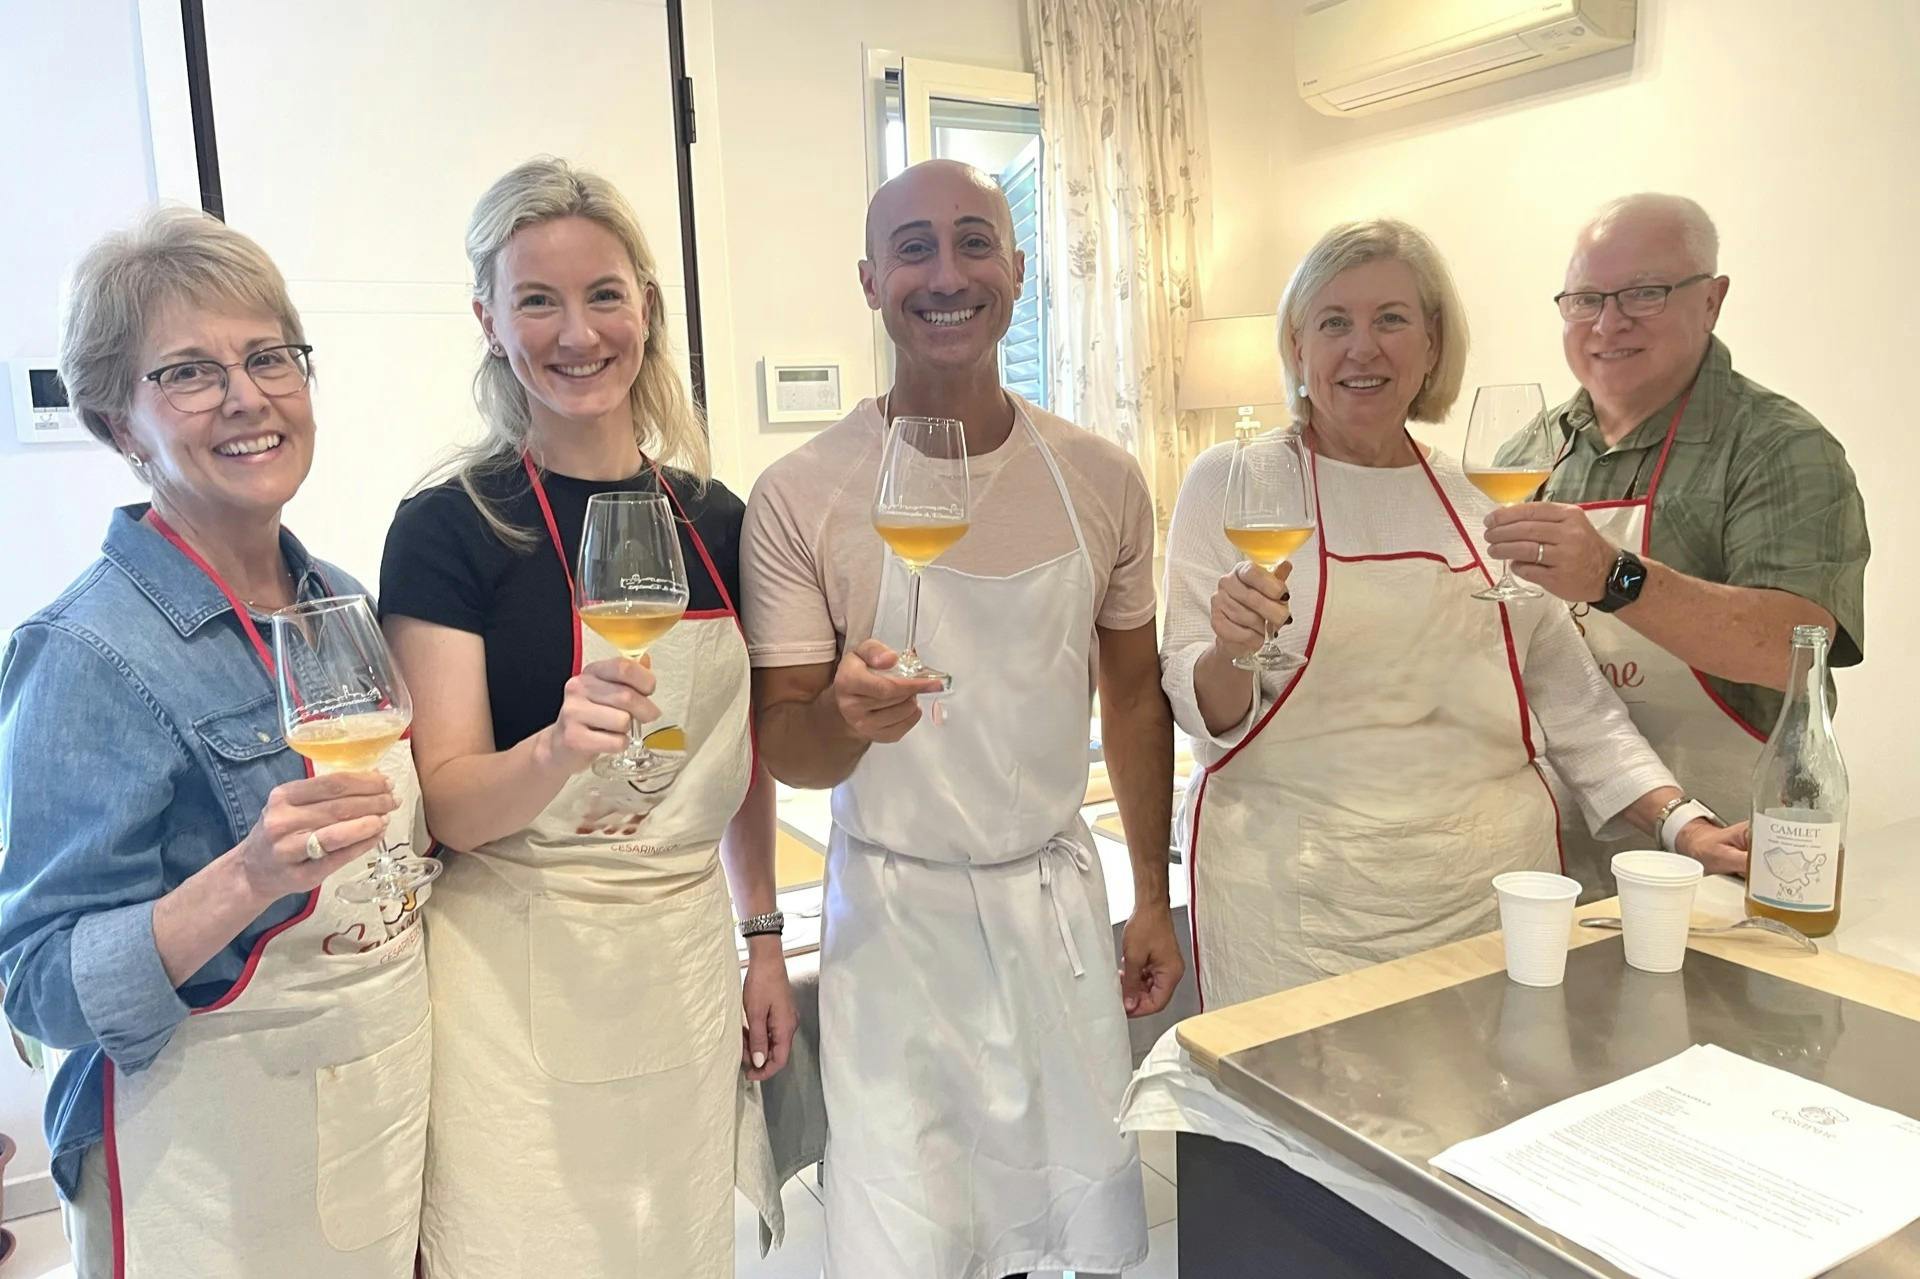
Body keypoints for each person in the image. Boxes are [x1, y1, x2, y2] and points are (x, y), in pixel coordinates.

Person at [742, 158, 1180, 1279]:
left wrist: (1150, 893)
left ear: (1020, 270)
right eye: (915, 247)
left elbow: (1133, 693)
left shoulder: (1100, 476)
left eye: (975, 241)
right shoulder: (805, 491)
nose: (947, 273)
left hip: (1054, 905)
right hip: (894, 924)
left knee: (1070, 1211)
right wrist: (846, 719)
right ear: (870, 279)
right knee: (913, 1226)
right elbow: (785, 741)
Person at [1161, 219, 1750, 1009]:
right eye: (1333, 322)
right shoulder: (1233, 483)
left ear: (1433, 344)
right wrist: (1232, 650)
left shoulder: (1484, 495)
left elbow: (1573, 703)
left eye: (1392, 319)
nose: (1362, 348)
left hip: (1483, 896)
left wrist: (1682, 824)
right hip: (1296, 909)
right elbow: (1201, 711)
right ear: (1297, 347)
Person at [378, 157, 791, 1277]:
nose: (577, 332)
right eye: (537, 300)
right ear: (489, 321)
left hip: (681, 971)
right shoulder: (450, 528)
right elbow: (454, 806)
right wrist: (556, 749)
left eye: (604, 294)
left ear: (647, 310)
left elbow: (740, 760)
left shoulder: (714, 517)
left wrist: (764, 939)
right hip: (513, 996)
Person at [0, 209, 429, 1276]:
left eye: (269, 357)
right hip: (199, 1166)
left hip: (371, 1121)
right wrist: (243, 880)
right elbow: (39, 982)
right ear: (118, 425)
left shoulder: (337, 603)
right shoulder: (86, 651)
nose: (247, 396)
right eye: (189, 372)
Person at [1484, 194, 1870, 896]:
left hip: (1736, 843)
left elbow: (1790, 649)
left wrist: (1613, 576)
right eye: (1585, 299)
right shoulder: (1527, 453)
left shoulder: (1780, 447)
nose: (1608, 322)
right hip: (1562, 846)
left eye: (1644, 294)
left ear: (1712, 301)